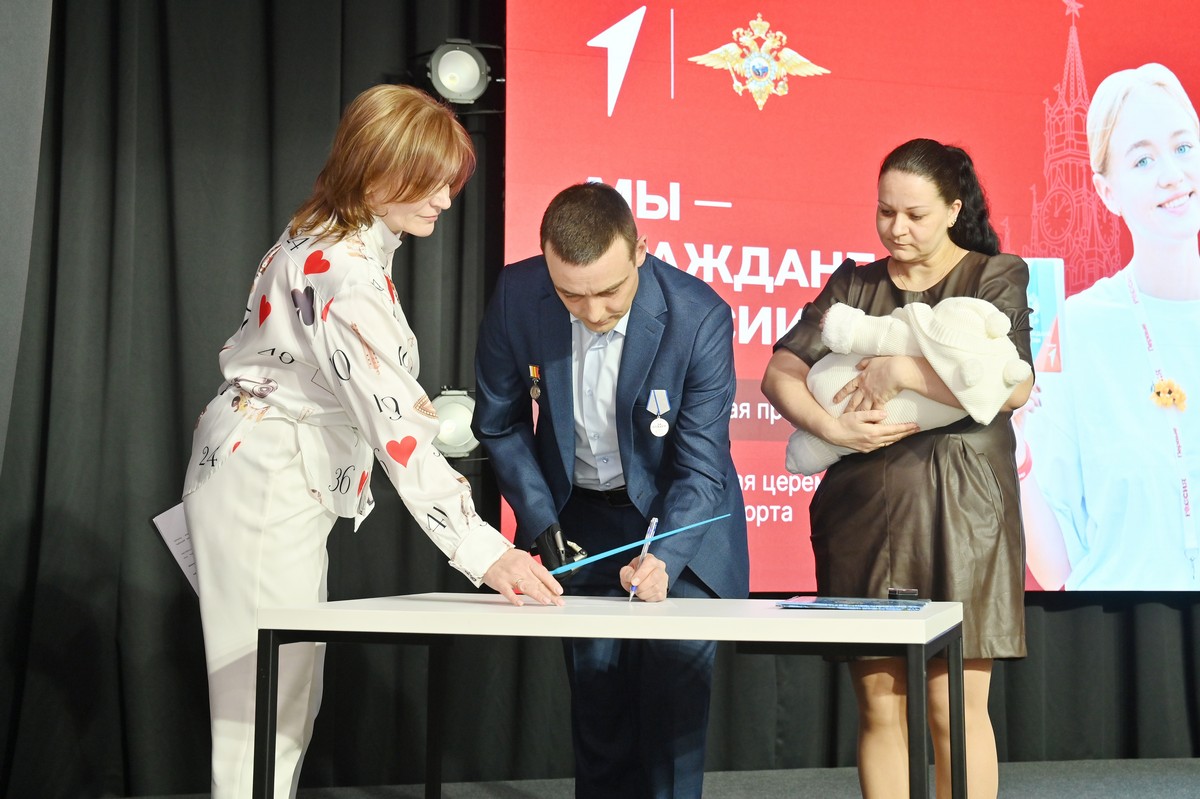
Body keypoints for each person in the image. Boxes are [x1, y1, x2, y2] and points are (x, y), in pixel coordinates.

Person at [181, 84, 563, 799]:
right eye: (430, 181)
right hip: (266, 476)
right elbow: (399, 435)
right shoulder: (346, 271)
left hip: (265, 470)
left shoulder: (330, 234)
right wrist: (489, 552)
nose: (445, 199)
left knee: (283, 696)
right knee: (265, 705)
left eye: (449, 181)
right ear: (377, 168)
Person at [761, 138, 1034, 799]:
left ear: (954, 209)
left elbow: (1013, 386)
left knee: (952, 706)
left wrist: (903, 371)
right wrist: (832, 428)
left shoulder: (993, 275)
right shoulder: (854, 284)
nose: (896, 228)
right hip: (864, 512)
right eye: (886, 211)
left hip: (965, 514)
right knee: (882, 704)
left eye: (914, 214)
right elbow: (780, 372)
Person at [472, 181, 749, 799]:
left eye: (609, 292)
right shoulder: (518, 294)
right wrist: (542, 520)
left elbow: (701, 469)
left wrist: (663, 559)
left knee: (671, 728)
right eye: (571, 295)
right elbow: (499, 423)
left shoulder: (698, 315)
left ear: (640, 251)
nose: (593, 312)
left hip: (679, 527)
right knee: (599, 722)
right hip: (581, 527)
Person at [1021, 63, 1200, 591]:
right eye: (1143, 159)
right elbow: (1056, 568)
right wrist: (1015, 454)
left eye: (1183, 147)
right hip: (1126, 632)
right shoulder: (1079, 330)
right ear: (1106, 192)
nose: (1172, 174)